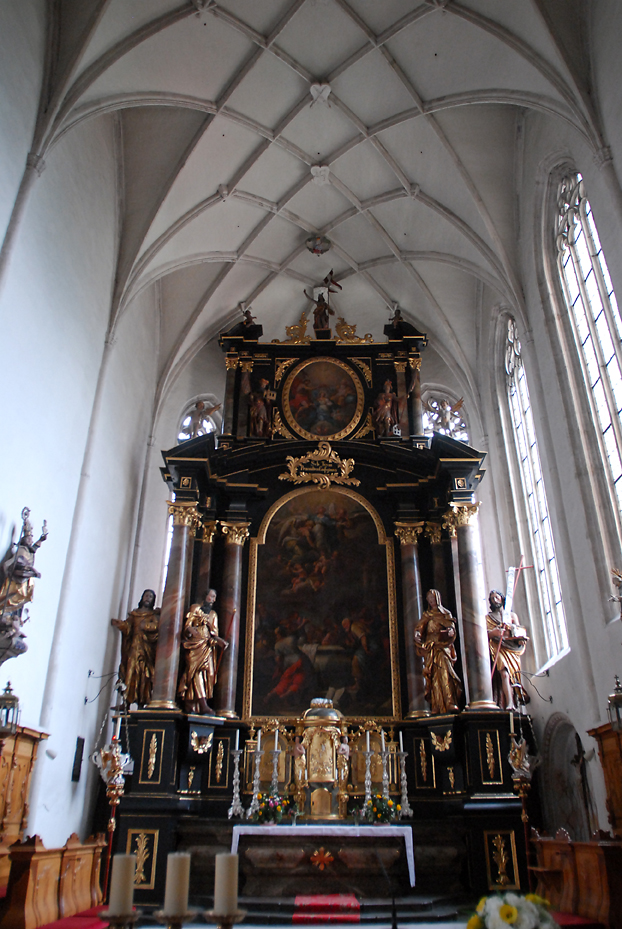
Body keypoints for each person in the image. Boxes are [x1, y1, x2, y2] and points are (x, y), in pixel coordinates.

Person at [177, 589, 228, 715]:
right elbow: (187, 626)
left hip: (206, 647)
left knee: (208, 675)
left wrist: (220, 642)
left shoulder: (213, 615)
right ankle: (202, 704)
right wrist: (190, 630)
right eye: (211, 596)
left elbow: (213, 635)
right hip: (194, 645)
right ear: (205, 596)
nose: (213, 599)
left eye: (215, 597)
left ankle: (191, 703)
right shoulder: (195, 608)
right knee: (196, 673)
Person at [414, 589, 462, 714]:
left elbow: (451, 628)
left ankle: (450, 702)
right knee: (434, 676)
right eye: (429, 598)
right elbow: (419, 628)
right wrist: (417, 634)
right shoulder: (427, 615)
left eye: (433, 598)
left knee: (445, 673)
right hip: (431, 648)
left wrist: (451, 631)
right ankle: (436, 704)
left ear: (438, 598)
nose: (431, 600)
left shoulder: (446, 614)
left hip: (443, 647)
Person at [111, 589, 160, 706]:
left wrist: (146, 626)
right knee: (130, 672)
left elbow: (156, 627)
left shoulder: (153, 615)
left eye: (150, 597)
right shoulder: (134, 614)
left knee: (144, 675)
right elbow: (128, 626)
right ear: (142, 597)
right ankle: (126, 701)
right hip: (133, 647)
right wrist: (121, 625)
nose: (148, 598)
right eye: (146, 596)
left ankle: (142, 702)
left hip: (146, 650)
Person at [0, 508, 48, 616]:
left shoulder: (29, 551)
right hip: (17, 578)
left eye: (31, 538)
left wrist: (42, 538)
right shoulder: (21, 551)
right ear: (23, 540)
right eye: (29, 538)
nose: (31, 540)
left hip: (24, 579)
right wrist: (33, 572)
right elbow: (15, 565)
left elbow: (35, 547)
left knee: (29, 586)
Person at [486, 589, 529, 709]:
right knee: (504, 674)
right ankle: (509, 703)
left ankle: (514, 701)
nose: (495, 600)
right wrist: (493, 633)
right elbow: (483, 635)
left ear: (502, 598)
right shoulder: (488, 618)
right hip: (499, 648)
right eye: (493, 598)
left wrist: (520, 637)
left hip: (512, 648)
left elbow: (520, 630)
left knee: (512, 675)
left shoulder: (511, 615)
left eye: (497, 597)